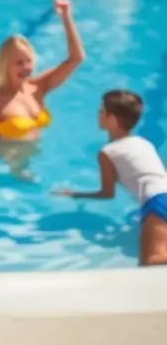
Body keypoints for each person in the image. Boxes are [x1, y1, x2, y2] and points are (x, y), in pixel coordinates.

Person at [0, 0, 84, 178]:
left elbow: (76, 58)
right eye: (19, 63)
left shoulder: (38, 88)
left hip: (34, 155)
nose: (26, 68)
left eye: (28, 61)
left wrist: (66, 17)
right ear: (5, 66)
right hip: (9, 160)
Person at [55, 90, 167, 266]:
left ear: (112, 119)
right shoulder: (144, 143)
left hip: (156, 200)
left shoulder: (107, 152)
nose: (98, 114)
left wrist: (77, 195)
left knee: (151, 261)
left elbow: (108, 193)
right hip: (161, 195)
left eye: (101, 111)